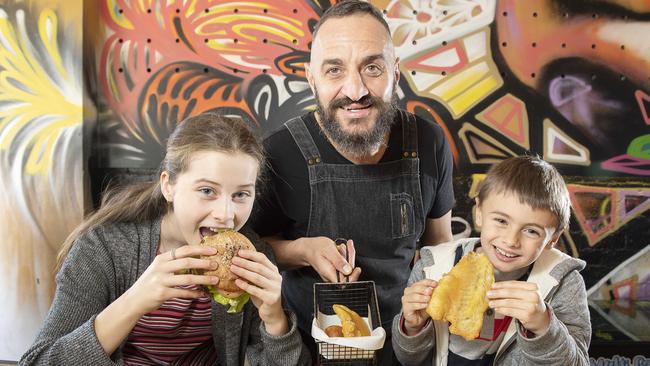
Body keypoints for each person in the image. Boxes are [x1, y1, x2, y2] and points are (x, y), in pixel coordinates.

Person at [249, 0, 455, 363]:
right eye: (334, 70)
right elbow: (251, 250)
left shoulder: (429, 143)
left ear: (395, 71)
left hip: (405, 342)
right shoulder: (277, 153)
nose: (355, 90)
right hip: (308, 347)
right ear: (312, 79)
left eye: (372, 68)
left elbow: (439, 249)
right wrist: (303, 250)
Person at [20, 113, 310, 366]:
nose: (226, 214)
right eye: (207, 191)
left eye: (241, 194)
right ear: (168, 186)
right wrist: (134, 302)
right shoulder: (103, 249)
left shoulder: (253, 256)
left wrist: (275, 320)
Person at [392, 155, 591, 365]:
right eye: (501, 221)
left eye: (531, 231)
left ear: (553, 238)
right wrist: (412, 328)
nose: (511, 240)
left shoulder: (564, 283)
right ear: (479, 212)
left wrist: (543, 326)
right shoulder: (431, 266)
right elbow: (407, 359)